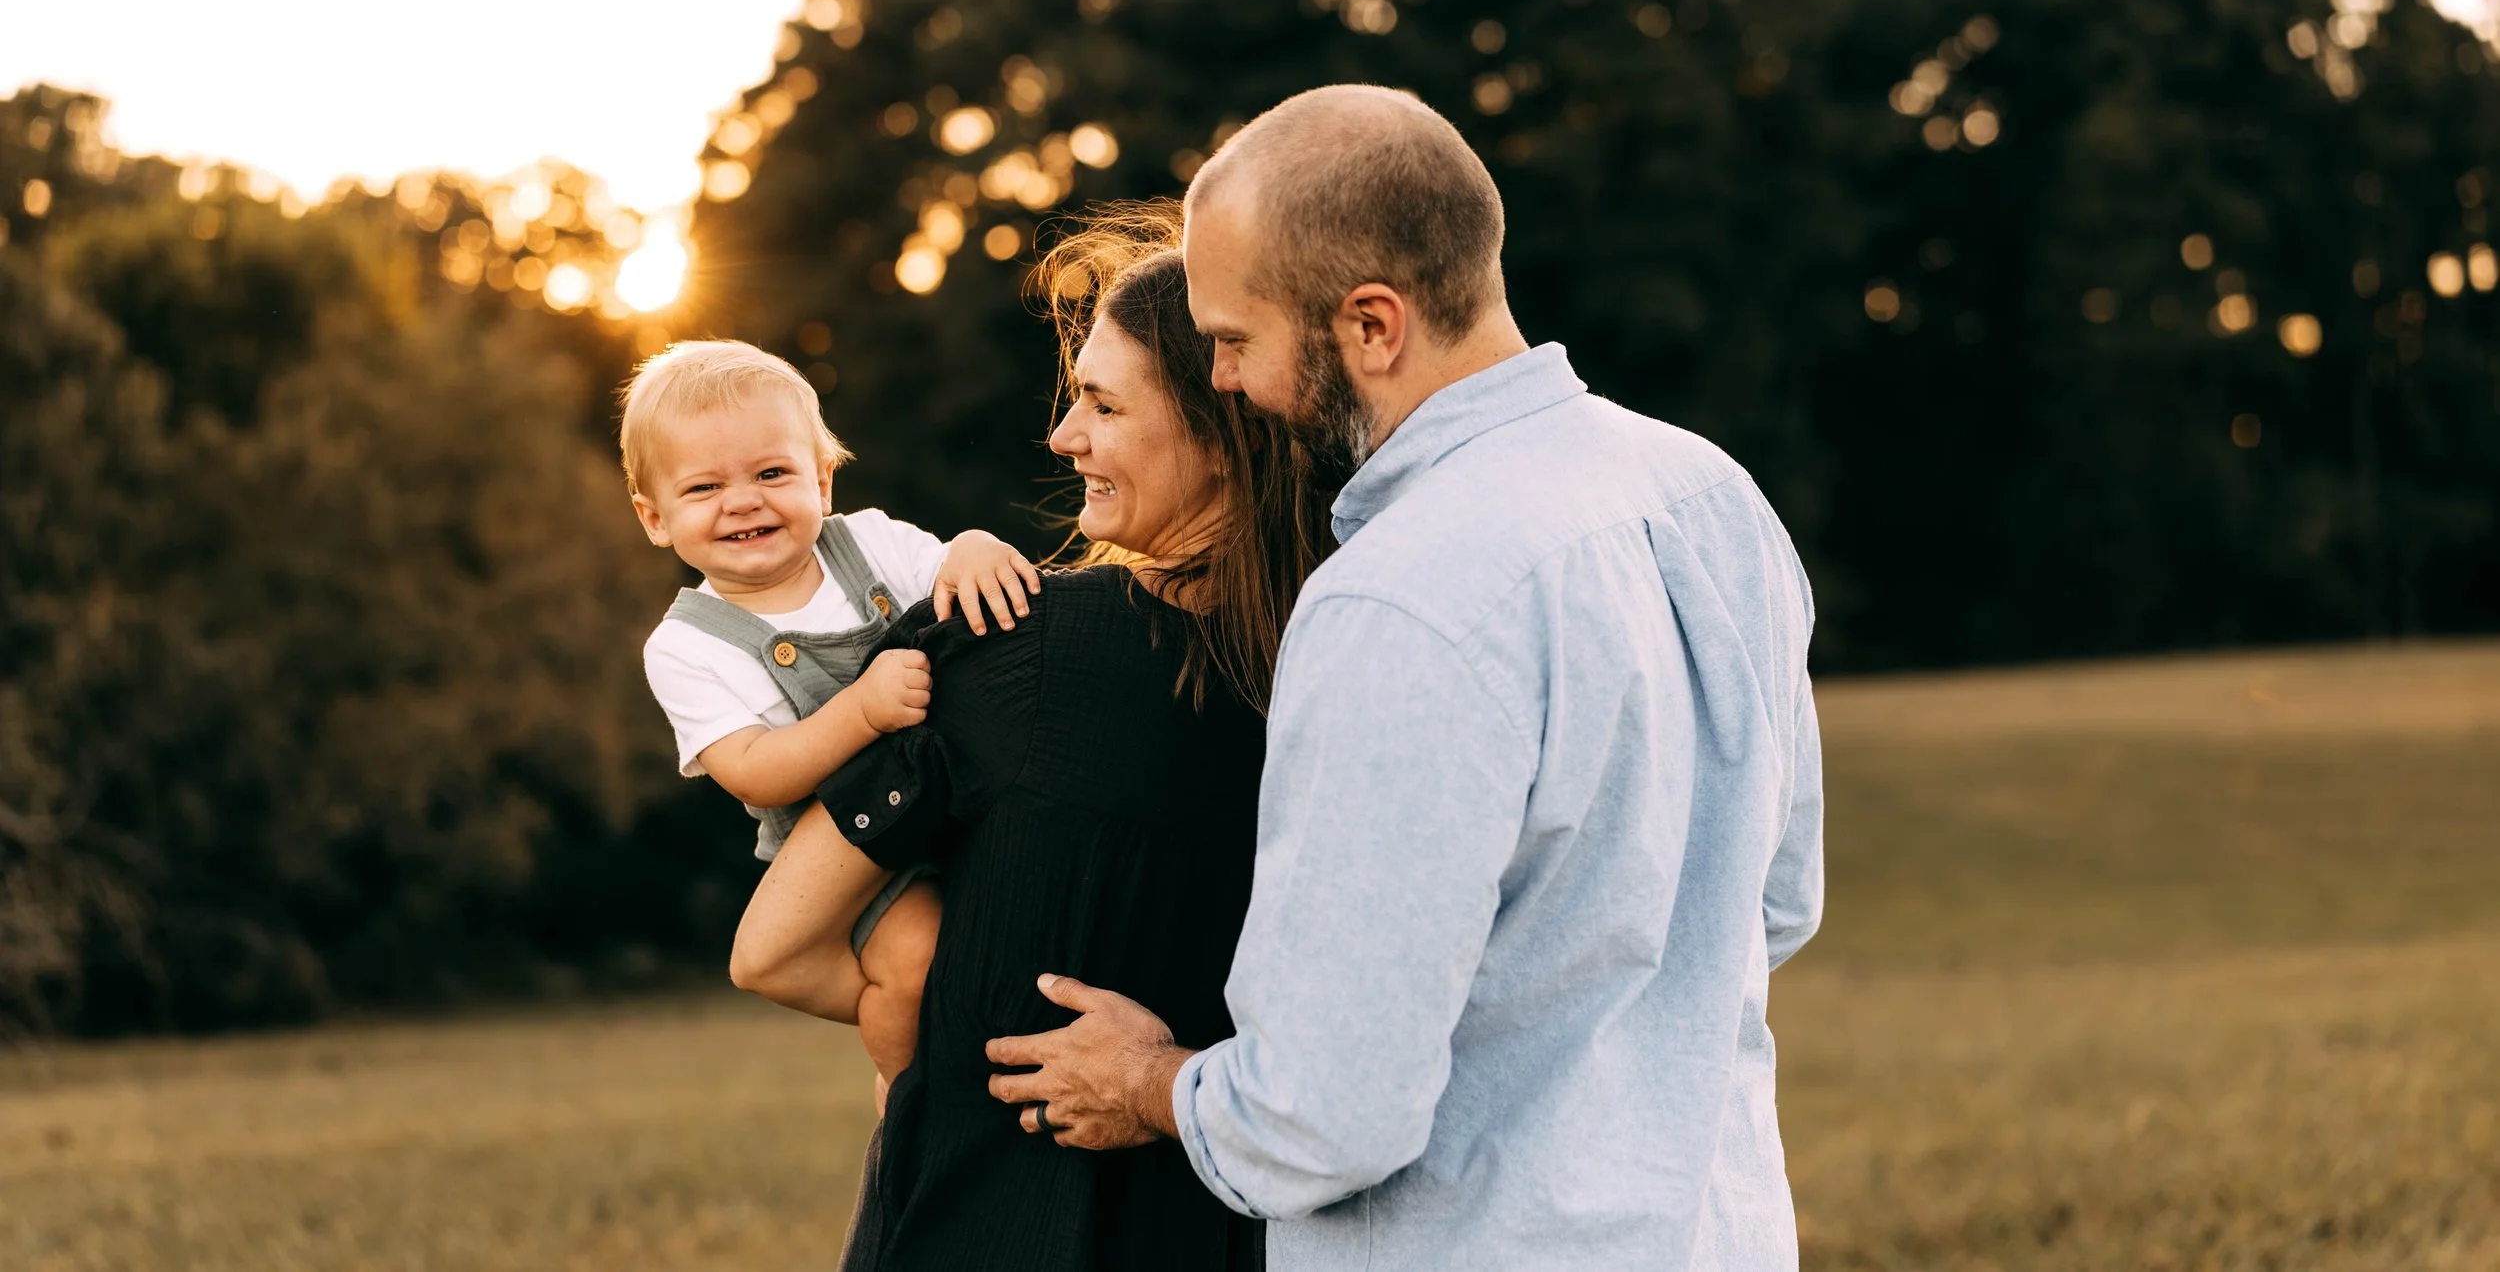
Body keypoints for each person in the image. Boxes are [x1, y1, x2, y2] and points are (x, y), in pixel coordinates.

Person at [985, 86, 1828, 1271]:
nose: (1223, 381)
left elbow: (1325, 1108)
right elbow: (1774, 900)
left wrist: (1149, 1079)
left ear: (1370, 326)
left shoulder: (1399, 595)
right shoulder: (1707, 494)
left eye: (1234, 340)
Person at [731, 210, 1333, 1270]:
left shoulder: (1009, 652)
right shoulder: (1349, 679)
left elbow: (771, 947)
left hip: (985, 1226)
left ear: (1222, 426)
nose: (1063, 436)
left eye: (1102, 403)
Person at [622, 338, 1040, 1086]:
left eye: (773, 472)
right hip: (856, 860)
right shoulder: (687, 644)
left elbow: (952, 568)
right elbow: (756, 772)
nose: (744, 499)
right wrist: (863, 710)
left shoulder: (871, 543)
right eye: (704, 488)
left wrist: (975, 544)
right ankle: (911, 1106)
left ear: (822, 480)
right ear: (655, 518)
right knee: (913, 965)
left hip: (961, 806)